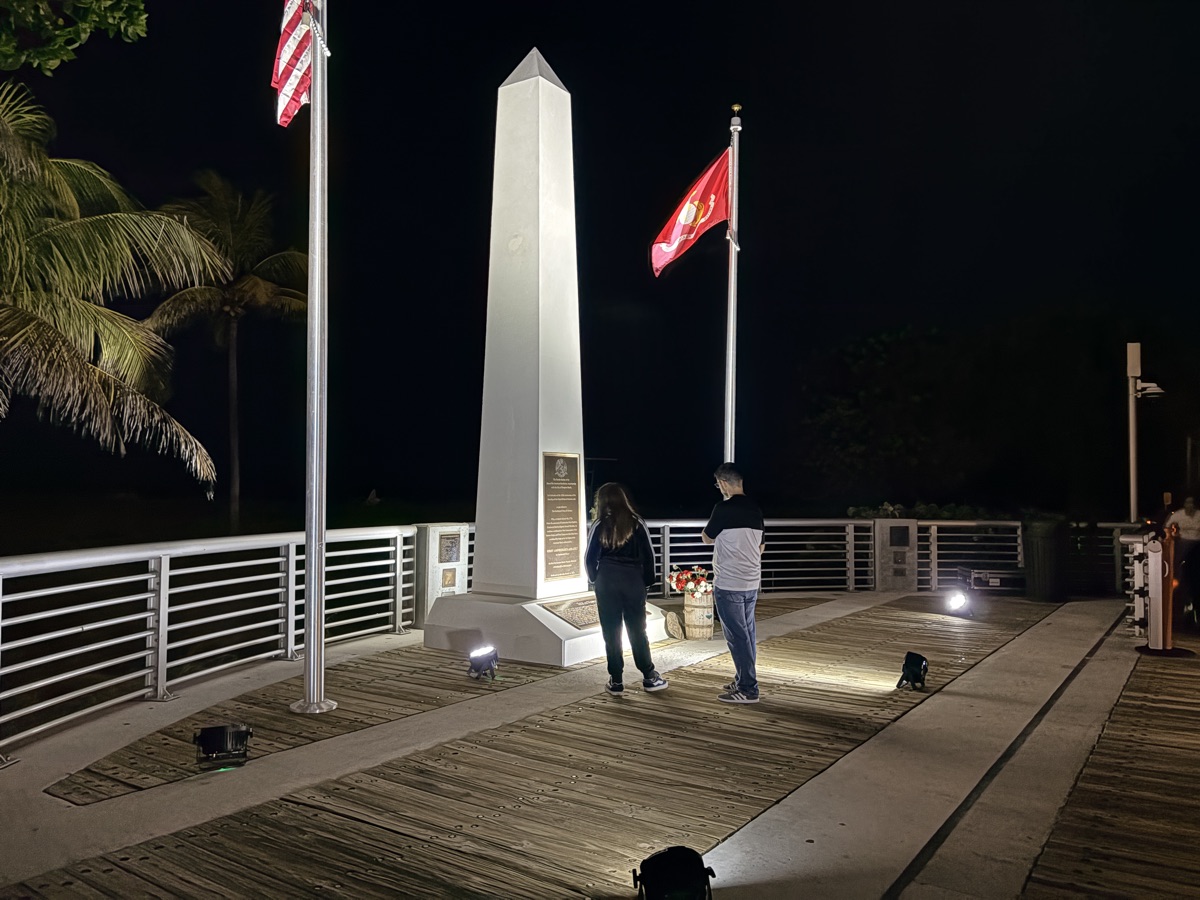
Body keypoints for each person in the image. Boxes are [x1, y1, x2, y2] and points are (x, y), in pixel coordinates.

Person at [584, 483, 669, 696]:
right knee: (638, 630)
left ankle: (616, 680)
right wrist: (647, 582)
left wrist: (595, 578)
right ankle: (649, 676)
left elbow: (589, 558)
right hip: (633, 581)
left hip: (607, 581)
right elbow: (649, 556)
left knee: (611, 631)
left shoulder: (599, 524)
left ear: (601, 502)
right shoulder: (636, 522)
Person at [701, 463, 765, 704]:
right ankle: (742, 678)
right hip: (751, 581)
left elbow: (707, 537)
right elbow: (761, 547)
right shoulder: (755, 509)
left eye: (718, 485)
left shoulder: (722, 508)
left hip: (729, 582)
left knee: (737, 636)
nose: (719, 489)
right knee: (747, 633)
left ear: (724, 483)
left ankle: (749, 688)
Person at [1165, 495, 1200, 625]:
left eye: (1192, 503)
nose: (1189, 506)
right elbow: (1167, 526)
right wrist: (1172, 536)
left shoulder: (1198, 515)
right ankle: (1179, 583)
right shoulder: (1178, 515)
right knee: (1181, 568)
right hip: (1183, 543)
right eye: (1187, 503)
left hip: (1197, 543)